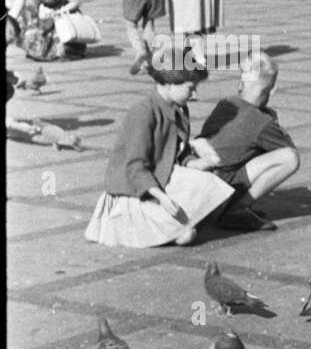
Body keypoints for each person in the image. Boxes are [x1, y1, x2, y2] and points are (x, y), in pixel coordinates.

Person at [84, 61, 233, 248]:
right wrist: (162, 198)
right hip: (135, 193)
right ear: (170, 84)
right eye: (191, 88)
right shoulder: (144, 110)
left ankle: (171, 226)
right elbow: (135, 167)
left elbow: (177, 150)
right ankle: (158, 226)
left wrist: (194, 163)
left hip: (160, 179)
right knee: (187, 234)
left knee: (211, 185)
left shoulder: (178, 108)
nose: (194, 94)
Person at [190, 52, 299, 232]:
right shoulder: (261, 122)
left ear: (241, 83)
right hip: (218, 192)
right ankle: (237, 210)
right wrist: (273, 120)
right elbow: (288, 148)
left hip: (203, 182)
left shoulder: (226, 104)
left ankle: (235, 206)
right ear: (270, 91)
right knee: (289, 157)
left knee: (254, 148)